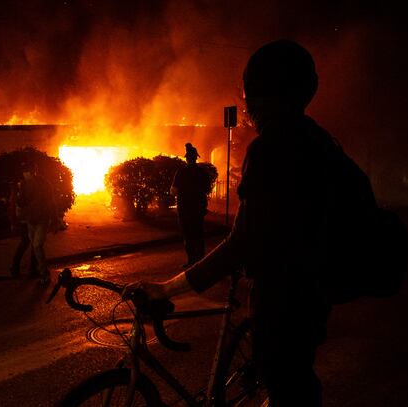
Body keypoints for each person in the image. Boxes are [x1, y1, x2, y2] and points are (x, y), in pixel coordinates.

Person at [134, 40, 335, 406]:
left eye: (250, 96)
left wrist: (167, 290)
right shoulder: (320, 140)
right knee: (297, 382)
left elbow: (244, 241)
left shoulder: (273, 146)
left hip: (284, 301)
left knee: (285, 382)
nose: (247, 107)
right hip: (315, 296)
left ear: (261, 95)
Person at [9, 161, 56, 285]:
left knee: (36, 245)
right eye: (25, 171)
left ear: (34, 171)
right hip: (30, 220)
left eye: (28, 171)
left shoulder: (44, 184)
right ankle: (34, 270)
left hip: (41, 219)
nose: (27, 174)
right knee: (32, 245)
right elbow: (19, 202)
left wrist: (55, 219)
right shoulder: (23, 184)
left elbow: (51, 202)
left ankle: (44, 274)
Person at [170, 142, 211, 268]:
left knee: (188, 234)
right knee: (198, 233)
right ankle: (201, 260)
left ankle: (192, 260)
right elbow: (207, 189)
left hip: (185, 208)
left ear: (187, 158)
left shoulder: (181, 172)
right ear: (195, 158)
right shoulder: (202, 173)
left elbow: (174, 190)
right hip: (198, 208)